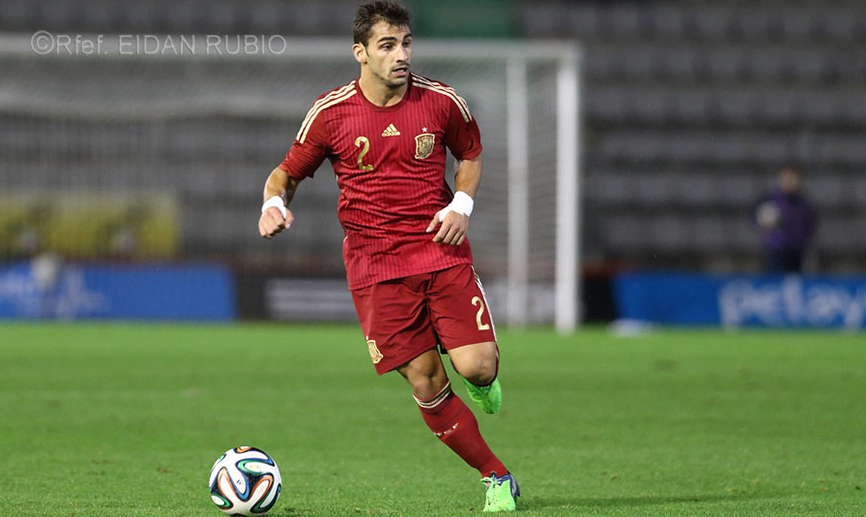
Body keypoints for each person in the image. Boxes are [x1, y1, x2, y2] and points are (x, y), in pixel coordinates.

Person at [257, 1, 519, 512]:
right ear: (360, 52)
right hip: (375, 268)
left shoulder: (442, 102)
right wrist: (272, 204)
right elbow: (284, 174)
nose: (401, 55)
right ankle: (497, 476)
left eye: (406, 44)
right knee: (425, 379)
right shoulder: (331, 113)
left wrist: (461, 204)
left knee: (479, 368)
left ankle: (481, 377)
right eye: (387, 45)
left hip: (439, 250)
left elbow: (469, 152)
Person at [753, 165, 816, 273]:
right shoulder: (770, 199)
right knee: (775, 280)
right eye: (787, 179)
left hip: (797, 249)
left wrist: (804, 239)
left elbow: (810, 223)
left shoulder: (803, 203)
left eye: (793, 179)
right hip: (776, 249)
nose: (790, 182)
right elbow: (755, 216)